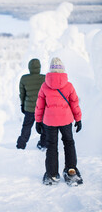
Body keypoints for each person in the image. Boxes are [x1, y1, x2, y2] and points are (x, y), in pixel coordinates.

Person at [35, 57, 83, 185]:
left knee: (51, 146)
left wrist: (38, 121)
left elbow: (39, 105)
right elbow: (74, 103)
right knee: (69, 143)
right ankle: (71, 171)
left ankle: (51, 174)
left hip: (49, 121)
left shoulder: (44, 86)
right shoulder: (68, 85)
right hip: (66, 120)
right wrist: (78, 119)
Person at [16, 58, 45, 150]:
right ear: (39, 67)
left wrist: (22, 105)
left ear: (29, 67)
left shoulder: (24, 78)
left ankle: (21, 145)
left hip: (29, 109)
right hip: (43, 108)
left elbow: (22, 94)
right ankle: (43, 144)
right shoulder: (45, 78)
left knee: (26, 127)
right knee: (44, 127)